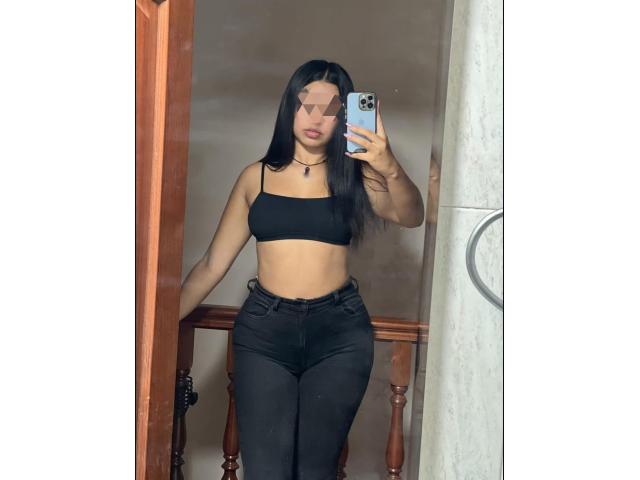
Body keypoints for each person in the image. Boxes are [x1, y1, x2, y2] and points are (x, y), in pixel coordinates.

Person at [178, 59, 424, 479]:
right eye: (306, 104)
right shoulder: (255, 178)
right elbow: (212, 263)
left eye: (330, 109)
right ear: (289, 107)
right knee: (266, 471)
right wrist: (156, 327)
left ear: (344, 118)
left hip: (339, 333)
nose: (315, 117)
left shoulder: (357, 178)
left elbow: (412, 214)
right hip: (265, 332)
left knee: (315, 470)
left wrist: (387, 164)